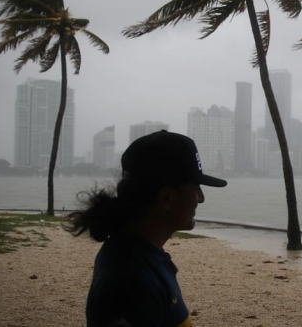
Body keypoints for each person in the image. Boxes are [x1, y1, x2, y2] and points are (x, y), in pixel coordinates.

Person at [67, 130, 228, 327]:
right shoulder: (132, 281)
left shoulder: (136, 253)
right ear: (167, 198)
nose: (201, 198)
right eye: (196, 188)